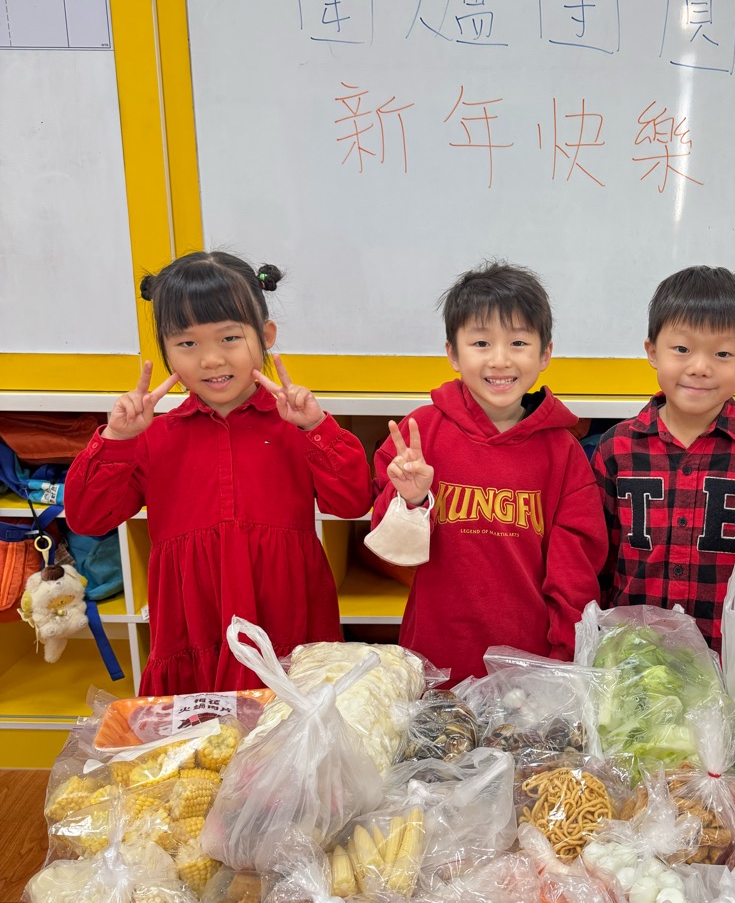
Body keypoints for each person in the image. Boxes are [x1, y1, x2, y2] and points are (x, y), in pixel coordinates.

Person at [64, 251, 371, 694]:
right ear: (165, 350)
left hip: (285, 619)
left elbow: (352, 501)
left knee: (289, 730)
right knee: (204, 736)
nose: (210, 360)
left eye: (229, 338)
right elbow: (87, 517)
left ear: (265, 335)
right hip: (193, 628)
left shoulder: (295, 426)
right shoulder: (153, 436)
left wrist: (316, 428)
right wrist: (116, 439)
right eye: (187, 344)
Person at [368, 260, 606, 682]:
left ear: (545, 354)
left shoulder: (563, 453)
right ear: (453, 354)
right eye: (481, 343)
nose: (499, 360)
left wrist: (560, 666)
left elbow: (575, 576)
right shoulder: (419, 434)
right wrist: (412, 499)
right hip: (433, 664)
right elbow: (389, 547)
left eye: (518, 342)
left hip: (527, 673)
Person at [591, 265, 735, 653]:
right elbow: (596, 559)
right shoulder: (617, 448)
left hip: (727, 653)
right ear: (652, 352)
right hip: (632, 655)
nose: (699, 368)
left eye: (722, 353)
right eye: (681, 349)